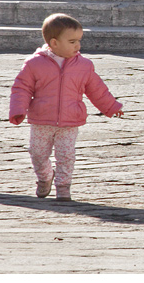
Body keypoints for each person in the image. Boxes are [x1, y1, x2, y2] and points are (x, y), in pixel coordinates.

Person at [9, 13, 123, 201]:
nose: (77, 46)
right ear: (54, 43)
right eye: (72, 41)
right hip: (41, 120)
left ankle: (63, 186)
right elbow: (21, 87)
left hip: (70, 121)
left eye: (79, 40)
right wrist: (18, 109)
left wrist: (111, 106)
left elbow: (97, 89)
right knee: (37, 153)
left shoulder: (84, 65)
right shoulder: (34, 64)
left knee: (66, 155)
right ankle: (45, 177)